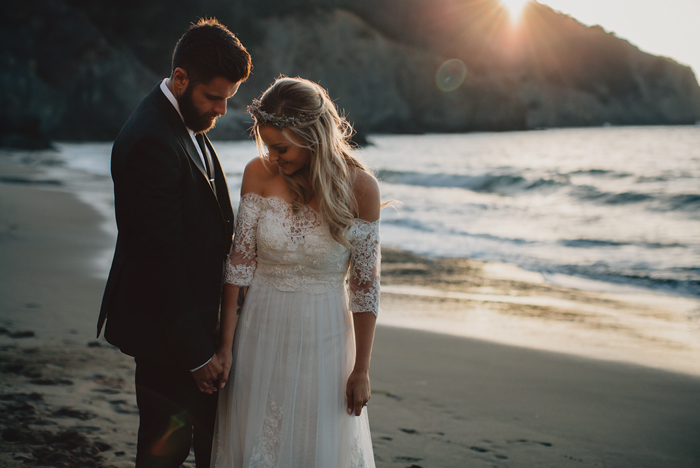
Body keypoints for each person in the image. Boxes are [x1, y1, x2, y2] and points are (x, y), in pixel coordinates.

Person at [96, 18, 251, 468]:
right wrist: (198, 355)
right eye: (214, 97)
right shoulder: (151, 140)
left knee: (206, 444)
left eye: (228, 98)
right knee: (164, 452)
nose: (222, 110)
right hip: (168, 335)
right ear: (181, 78)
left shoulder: (185, 121)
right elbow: (158, 260)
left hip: (193, 324)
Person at [210, 77, 381, 467]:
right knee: (257, 440)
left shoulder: (361, 189)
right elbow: (239, 264)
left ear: (312, 135)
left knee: (312, 443)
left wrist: (362, 370)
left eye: (281, 146)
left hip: (326, 339)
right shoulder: (258, 173)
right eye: (267, 145)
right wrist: (225, 345)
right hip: (258, 332)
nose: (273, 155)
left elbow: (365, 288)